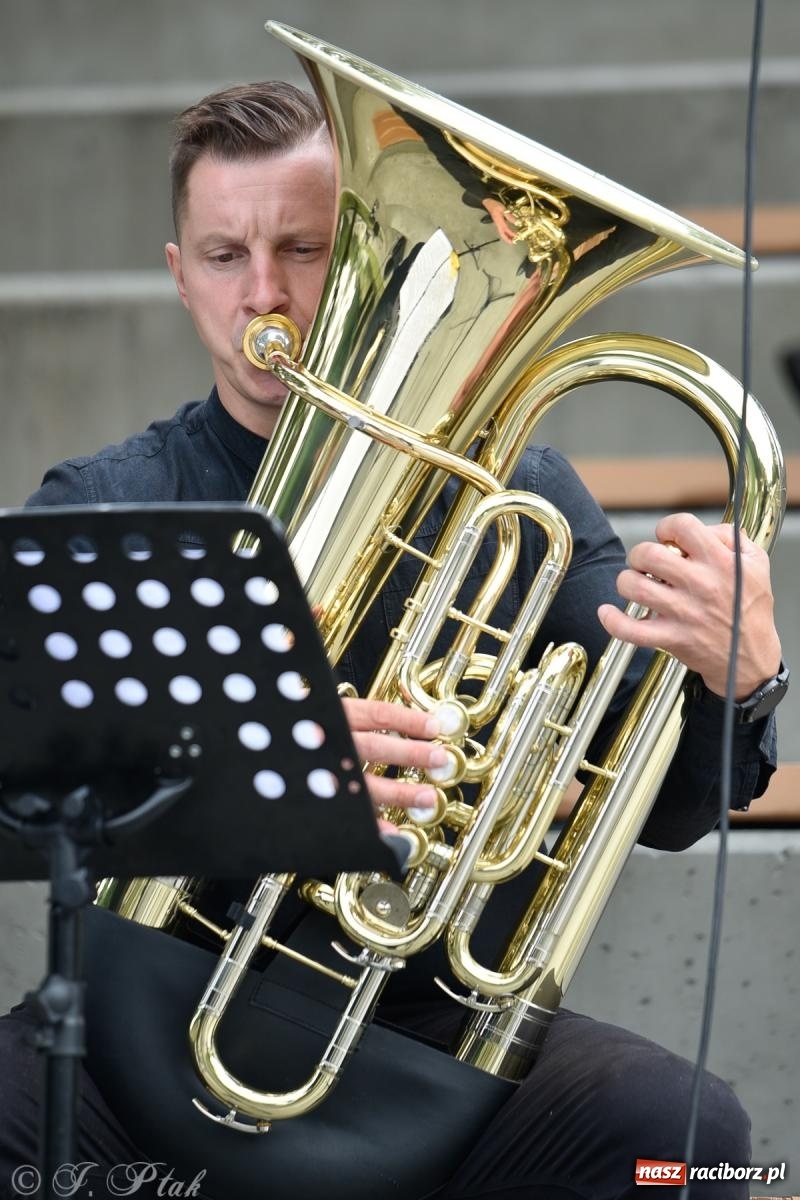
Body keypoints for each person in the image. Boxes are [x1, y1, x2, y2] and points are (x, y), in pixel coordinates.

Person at [0, 81, 786, 1200]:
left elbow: (665, 806)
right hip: (147, 1018)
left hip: (429, 1035)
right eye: (225, 256)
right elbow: (18, 791)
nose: (264, 292)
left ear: (380, 262)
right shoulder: (105, 508)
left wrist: (737, 678)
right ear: (180, 278)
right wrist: (262, 779)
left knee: (681, 1142)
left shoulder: (521, 492)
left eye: (306, 249)